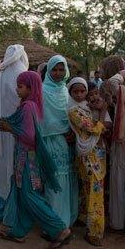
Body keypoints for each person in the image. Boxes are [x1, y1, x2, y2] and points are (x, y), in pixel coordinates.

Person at [0, 71, 72, 249]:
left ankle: (59, 229)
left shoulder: (28, 106)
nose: (17, 89)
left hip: (27, 159)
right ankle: (18, 231)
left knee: (30, 195)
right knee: (22, 194)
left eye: (20, 86)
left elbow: (30, 137)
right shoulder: (32, 104)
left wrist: (10, 128)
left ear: (31, 88)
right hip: (25, 157)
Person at [67, 78, 111, 246]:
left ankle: (85, 218)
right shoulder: (73, 110)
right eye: (75, 92)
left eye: (82, 91)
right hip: (88, 155)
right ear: (70, 93)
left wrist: (99, 112)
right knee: (94, 191)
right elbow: (93, 127)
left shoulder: (87, 106)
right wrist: (103, 109)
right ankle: (95, 232)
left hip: (96, 153)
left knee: (91, 188)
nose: (79, 94)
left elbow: (104, 125)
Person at [0, 45, 29, 220]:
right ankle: (16, 212)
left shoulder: (1, 75)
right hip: (19, 132)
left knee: (3, 167)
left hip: (1, 129)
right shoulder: (23, 75)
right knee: (17, 170)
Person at [100, 55, 125, 231]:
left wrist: (122, 74)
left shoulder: (118, 85)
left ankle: (119, 220)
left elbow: (112, 86)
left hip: (121, 136)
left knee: (119, 177)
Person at [40, 55, 79, 228]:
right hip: (51, 142)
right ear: (48, 71)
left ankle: (68, 219)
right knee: (54, 183)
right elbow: (42, 119)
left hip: (69, 143)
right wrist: (61, 131)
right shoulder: (42, 90)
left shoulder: (66, 90)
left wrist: (73, 131)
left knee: (68, 180)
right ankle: (55, 224)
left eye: (61, 69)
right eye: (54, 69)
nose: (57, 73)